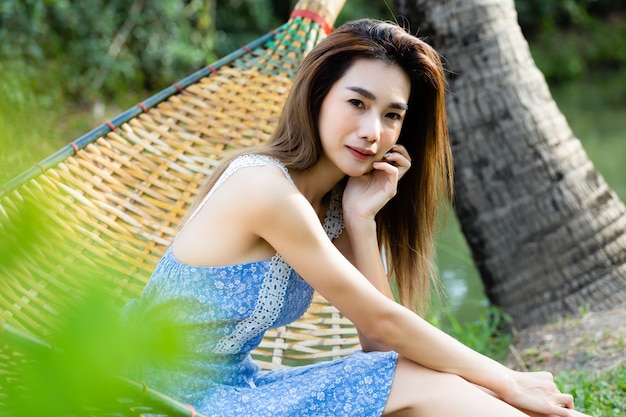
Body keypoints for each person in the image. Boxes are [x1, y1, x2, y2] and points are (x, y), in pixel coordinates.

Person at [121, 18, 592, 417]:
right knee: (434, 383)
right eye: (357, 103)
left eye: (392, 115)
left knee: (421, 379)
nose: (373, 133)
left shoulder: (331, 209)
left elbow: (381, 345)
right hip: (156, 399)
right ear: (318, 95)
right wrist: (509, 379)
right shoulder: (261, 186)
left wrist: (361, 220)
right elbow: (385, 325)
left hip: (237, 392)